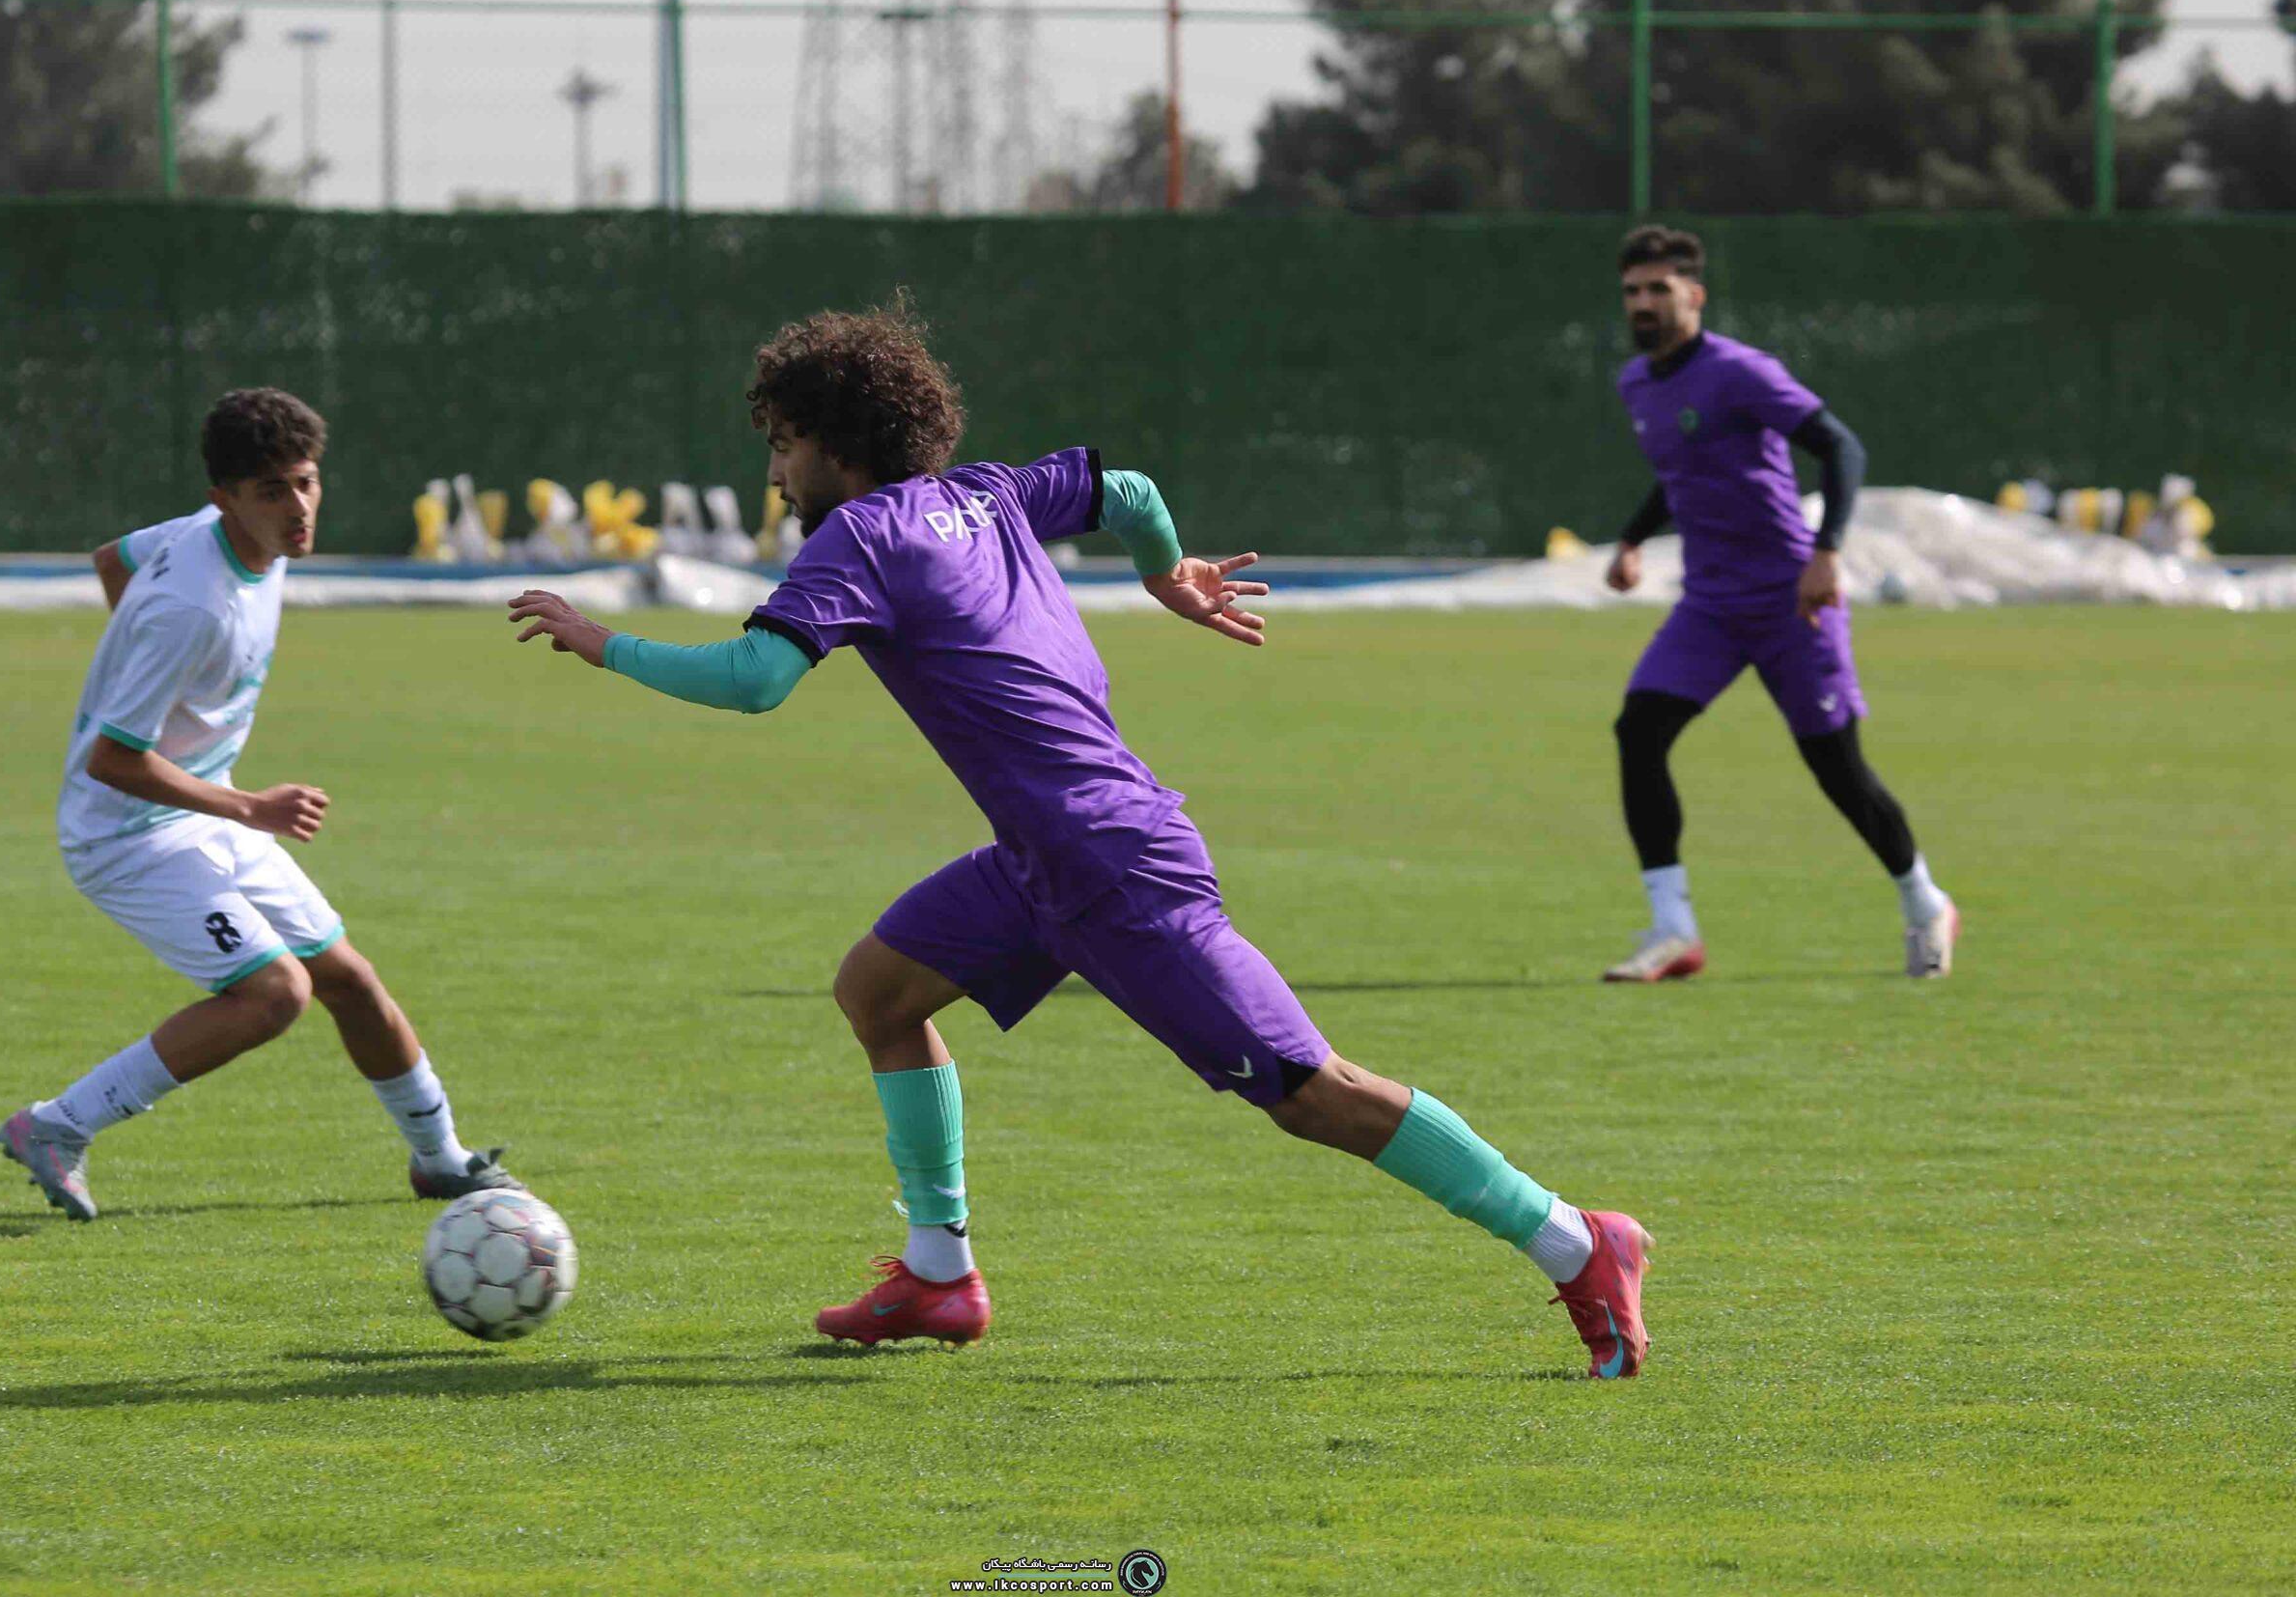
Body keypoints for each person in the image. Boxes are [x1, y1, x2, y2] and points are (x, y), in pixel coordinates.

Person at [506, 301, 1655, 1378]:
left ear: (836, 443)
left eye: (783, 443)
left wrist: (603, 643)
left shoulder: (860, 535)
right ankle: (939, 1275)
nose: (773, 472)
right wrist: (1167, 573)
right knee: (879, 993)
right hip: (1041, 861)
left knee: (1312, 1092)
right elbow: (1127, 486)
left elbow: (756, 680)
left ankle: (1574, 1238)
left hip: (1112, 864)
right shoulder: (991, 494)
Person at [0, 388, 518, 1219]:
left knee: (348, 979)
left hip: (198, 811)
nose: (299, 507)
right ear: (226, 498)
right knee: (276, 993)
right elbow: (113, 760)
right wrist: (247, 804)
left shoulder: (222, 539)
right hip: (125, 835)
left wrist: (163, 698)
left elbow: (110, 559)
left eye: (307, 482)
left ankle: (441, 1158)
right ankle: (57, 1125)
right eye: (273, 492)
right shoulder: (190, 607)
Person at [1602, 225, 1958, 983]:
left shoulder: (1740, 371)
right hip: (1710, 605)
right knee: (1639, 731)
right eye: (1632, 290)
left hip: (1791, 599)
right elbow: (1679, 471)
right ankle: (1673, 929)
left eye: (1660, 288)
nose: (1643, 302)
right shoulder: (1637, 383)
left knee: (1837, 769)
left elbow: (1841, 446)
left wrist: (1828, 551)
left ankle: (1926, 901)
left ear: (1695, 295)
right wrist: (1631, 540)